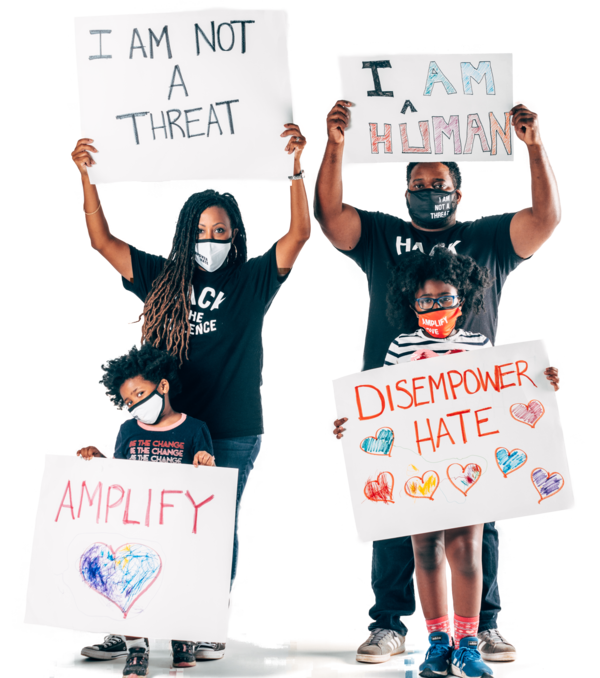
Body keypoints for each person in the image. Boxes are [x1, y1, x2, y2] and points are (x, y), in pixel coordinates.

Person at [314, 98, 563, 663]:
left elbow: (545, 219)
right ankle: (389, 622)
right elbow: (331, 217)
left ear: (460, 189)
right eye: (420, 183)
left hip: (473, 410)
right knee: (398, 514)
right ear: (404, 192)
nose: (432, 190)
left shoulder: (491, 239)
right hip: (399, 406)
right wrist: (333, 145)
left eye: (441, 182)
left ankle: (486, 624)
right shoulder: (380, 235)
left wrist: (536, 148)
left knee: (483, 514)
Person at [69, 122, 313, 663]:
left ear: (238, 236)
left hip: (230, 430)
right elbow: (105, 243)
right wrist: (87, 177)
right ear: (184, 235)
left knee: (211, 528)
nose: (211, 240)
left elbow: (299, 233)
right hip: (160, 426)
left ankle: (199, 620)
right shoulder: (160, 276)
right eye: (201, 230)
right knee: (137, 521)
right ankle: (119, 622)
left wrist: (296, 169)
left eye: (222, 231)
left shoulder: (253, 278)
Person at [334, 248, 559, 677]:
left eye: (444, 299)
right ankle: (437, 641)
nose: (436, 308)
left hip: (470, 465)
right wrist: (352, 425)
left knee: (468, 549)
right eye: (426, 301)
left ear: (464, 299)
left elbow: (504, 395)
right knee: (426, 550)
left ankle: (468, 642)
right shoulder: (401, 346)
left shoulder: (479, 345)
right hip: (421, 465)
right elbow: (380, 407)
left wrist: (541, 381)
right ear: (411, 302)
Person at [77, 342, 215, 676]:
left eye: (140, 393)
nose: (136, 404)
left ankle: (182, 638)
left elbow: (209, 486)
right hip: (137, 525)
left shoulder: (194, 429)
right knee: (128, 584)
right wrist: (99, 463)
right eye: (128, 400)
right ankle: (136, 648)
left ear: (163, 386)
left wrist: (205, 464)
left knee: (180, 581)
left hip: (179, 528)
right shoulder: (128, 430)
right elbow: (121, 476)